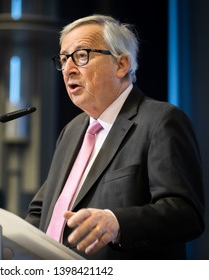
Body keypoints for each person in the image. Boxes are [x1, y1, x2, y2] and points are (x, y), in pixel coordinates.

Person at [25, 14, 205, 260]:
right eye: (63, 59)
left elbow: (185, 215)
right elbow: (42, 210)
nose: (68, 69)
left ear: (121, 65)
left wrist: (117, 223)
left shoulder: (161, 120)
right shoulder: (73, 130)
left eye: (81, 55)